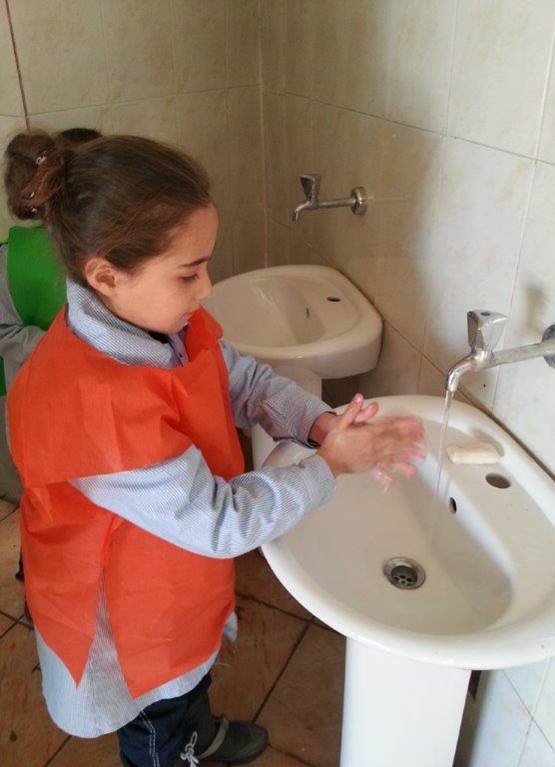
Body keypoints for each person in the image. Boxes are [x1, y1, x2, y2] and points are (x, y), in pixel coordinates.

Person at [6, 132, 424, 767]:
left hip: (165, 571)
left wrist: (317, 424)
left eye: (205, 263)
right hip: (127, 615)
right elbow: (219, 520)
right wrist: (332, 464)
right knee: (157, 724)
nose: (206, 289)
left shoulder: (152, 316)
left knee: (187, 692)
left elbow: (239, 376)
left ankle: (199, 734)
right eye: (189, 271)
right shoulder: (96, 403)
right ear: (105, 275)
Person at [1, 128, 101, 591]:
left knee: (47, 493)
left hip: (36, 402)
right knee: (60, 491)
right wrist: (63, 348)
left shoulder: (13, 257)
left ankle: (50, 568)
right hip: (47, 399)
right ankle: (57, 570)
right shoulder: (90, 254)